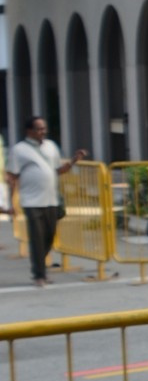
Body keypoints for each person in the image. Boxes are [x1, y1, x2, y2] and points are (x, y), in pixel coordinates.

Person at [7, 113, 85, 287]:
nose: (43, 132)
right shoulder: (19, 150)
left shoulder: (51, 146)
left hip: (51, 199)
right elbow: (11, 177)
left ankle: (40, 265)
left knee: (49, 236)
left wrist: (73, 161)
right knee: (37, 237)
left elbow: (58, 170)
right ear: (29, 131)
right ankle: (39, 274)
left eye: (44, 128)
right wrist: (10, 203)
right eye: (39, 129)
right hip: (31, 201)